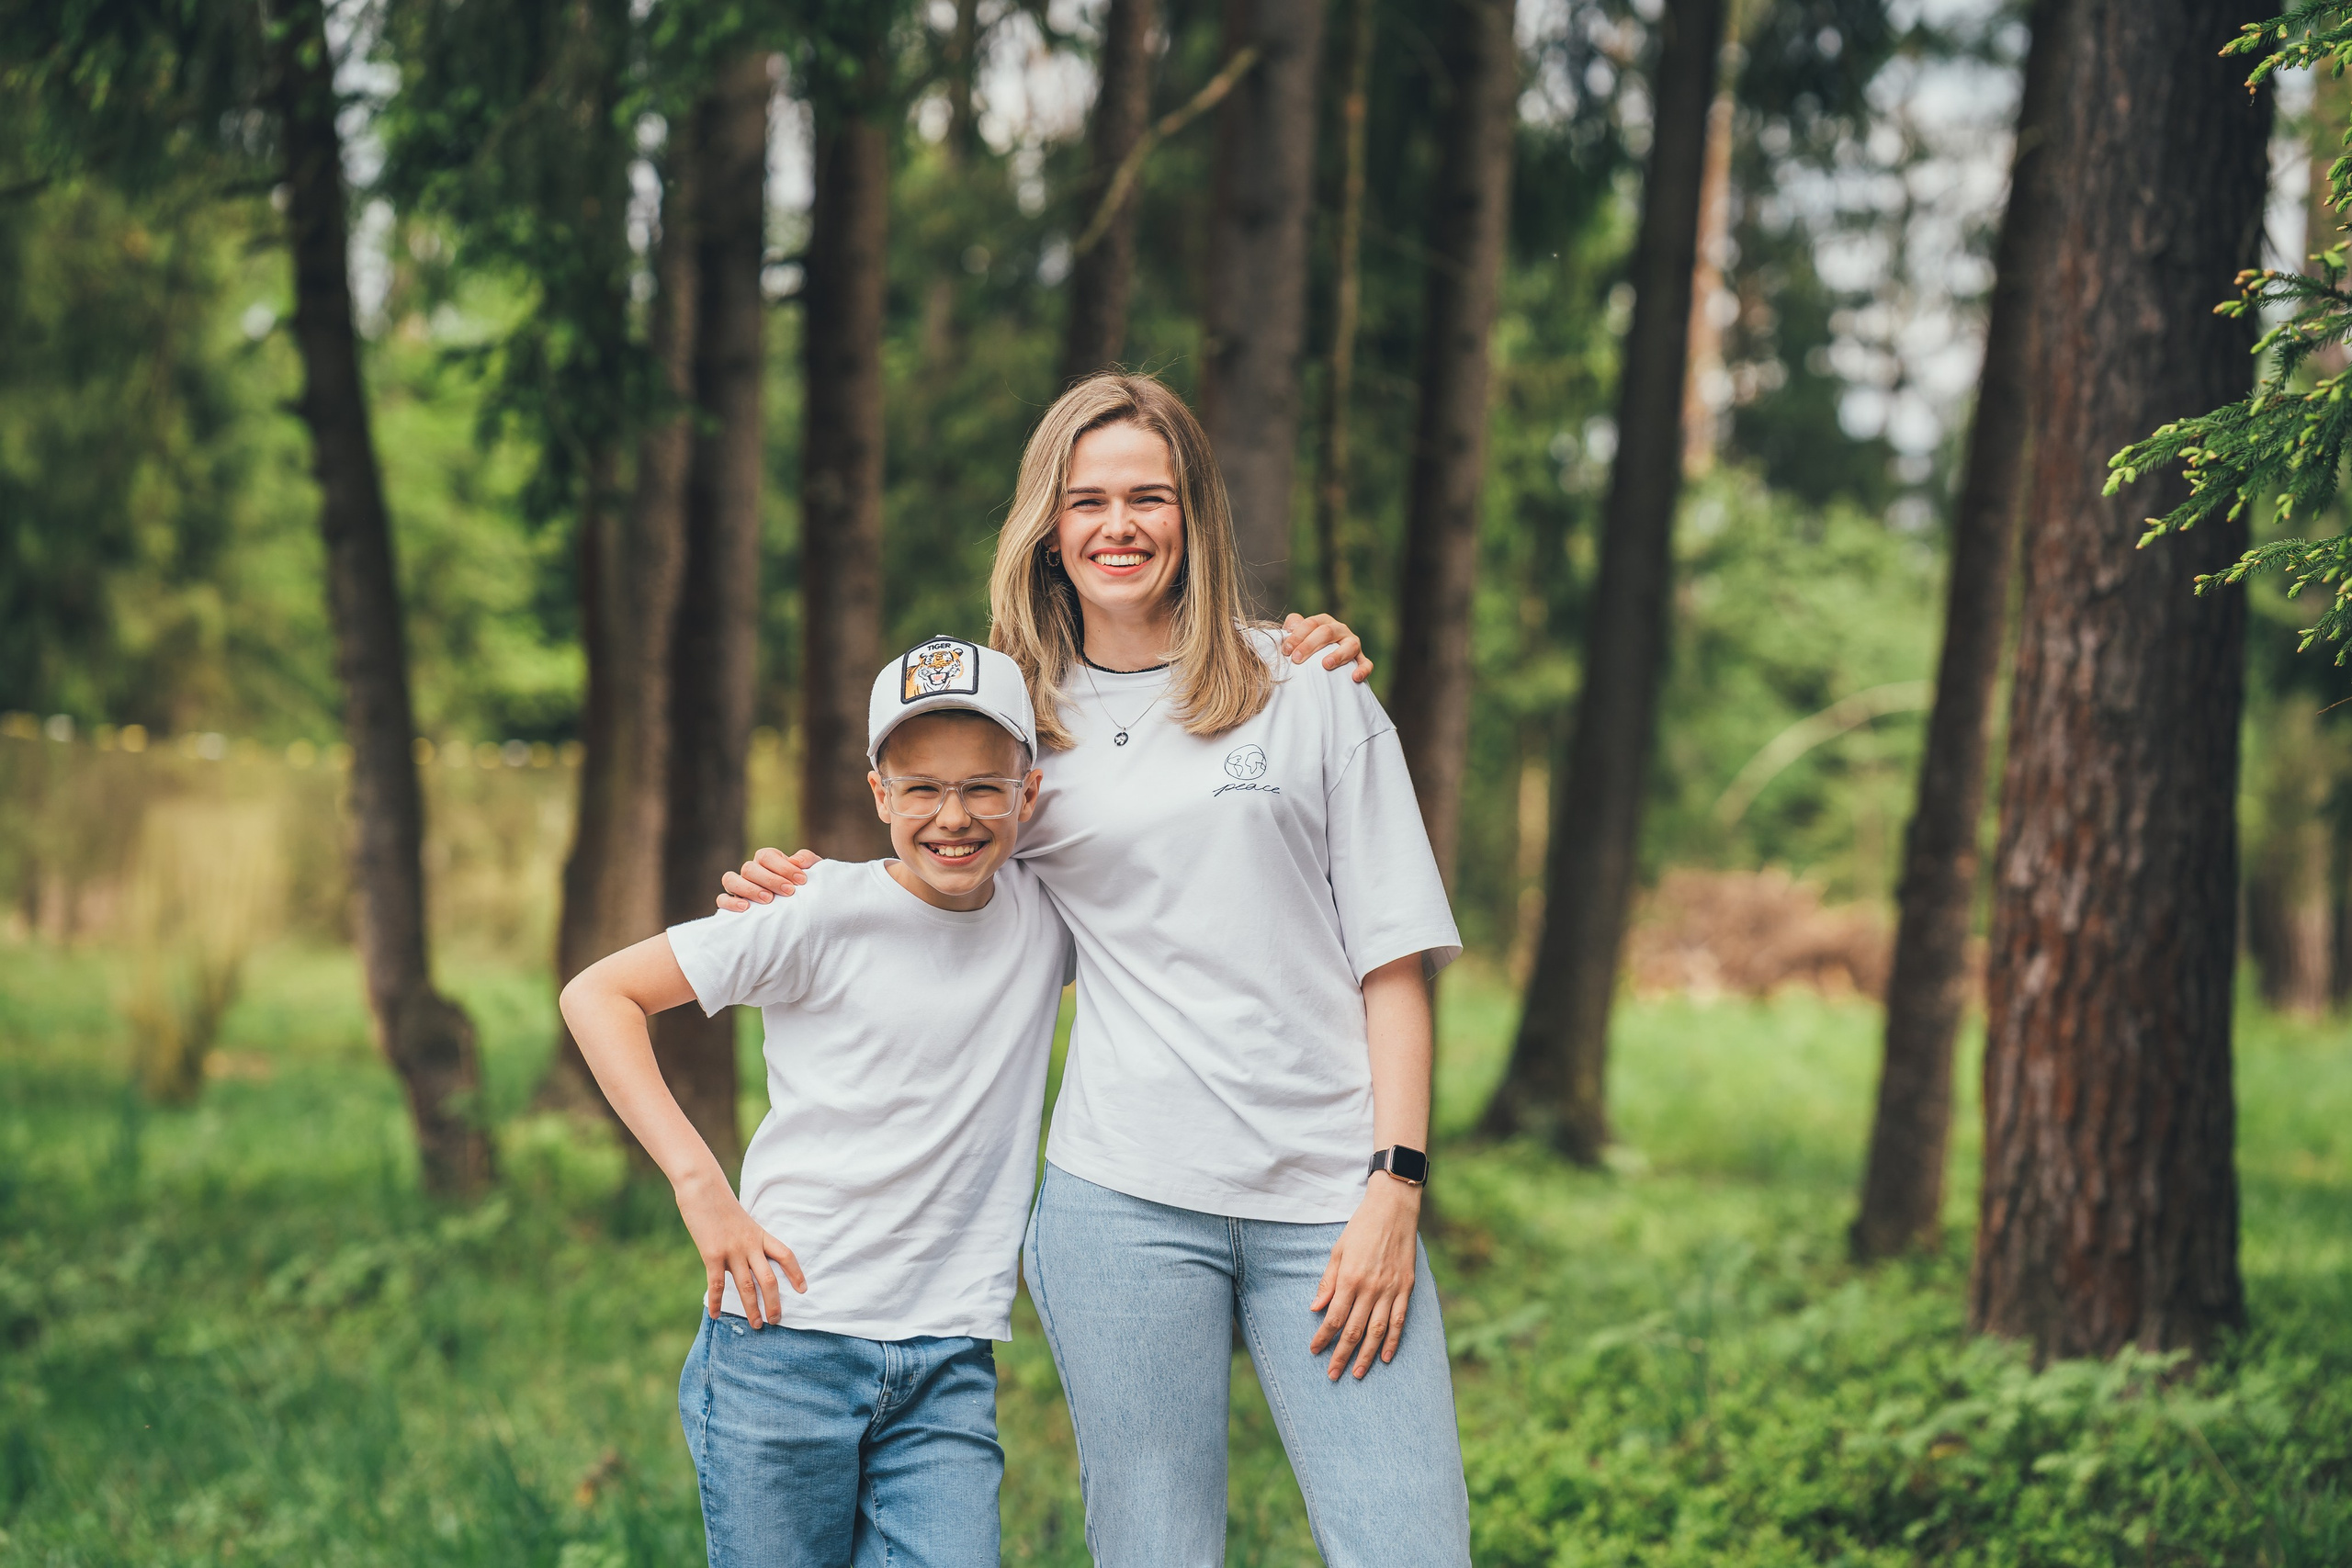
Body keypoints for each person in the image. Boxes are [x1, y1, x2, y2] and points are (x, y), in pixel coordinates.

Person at [722, 372, 1474, 1565]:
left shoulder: (1310, 689)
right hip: (1122, 1200)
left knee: (1408, 1546)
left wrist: (1396, 1181)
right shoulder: (1029, 727)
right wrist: (789, 893)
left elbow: (1392, 959)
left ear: (1195, 517)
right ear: (1049, 526)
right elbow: (941, 869)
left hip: (1331, 1202)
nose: (1118, 525)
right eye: (1087, 500)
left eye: (1149, 496)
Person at [560, 637, 1072, 1568]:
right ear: (878, 794)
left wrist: (1283, 663)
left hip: (946, 1360)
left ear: (1026, 795)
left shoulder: (1049, 915)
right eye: (919, 787)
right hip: (782, 1345)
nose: (950, 816)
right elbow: (597, 995)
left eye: (981, 788)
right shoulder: (810, 909)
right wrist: (698, 1186)